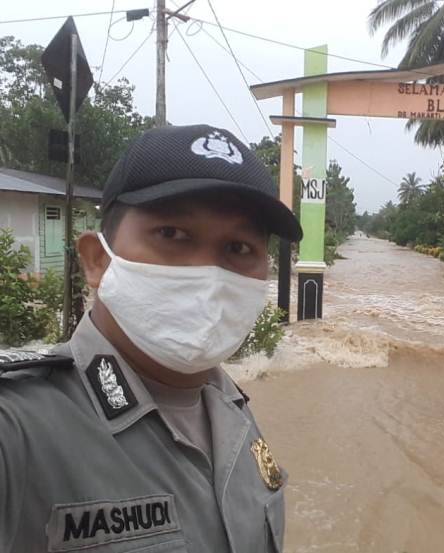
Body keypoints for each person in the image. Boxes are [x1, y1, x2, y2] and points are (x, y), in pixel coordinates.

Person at [0, 124, 302, 553]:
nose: (209, 274)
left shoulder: (230, 407)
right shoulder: (17, 428)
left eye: (238, 248)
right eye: (173, 235)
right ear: (97, 261)